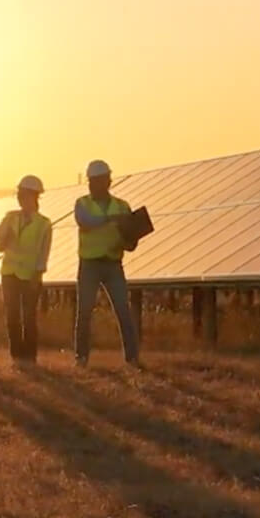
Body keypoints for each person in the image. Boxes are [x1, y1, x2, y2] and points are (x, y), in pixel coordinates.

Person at [73, 158, 141, 368]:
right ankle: (81, 357)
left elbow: (130, 242)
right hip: (90, 264)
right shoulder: (82, 204)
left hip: (113, 263)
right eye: (95, 181)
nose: (98, 184)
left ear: (108, 181)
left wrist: (133, 234)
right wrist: (114, 219)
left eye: (102, 180)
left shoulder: (122, 206)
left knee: (123, 310)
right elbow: (86, 222)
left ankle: (132, 358)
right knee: (84, 312)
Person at [0, 174, 53, 365]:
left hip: (30, 276)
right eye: (19, 194)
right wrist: (5, 235)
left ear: (34, 196)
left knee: (28, 317)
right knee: (12, 315)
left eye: (24, 194)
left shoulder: (44, 224)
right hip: (9, 272)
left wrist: (37, 276)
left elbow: (43, 254)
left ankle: (30, 356)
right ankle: (16, 355)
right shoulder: (9, 218)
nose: (20, 198)